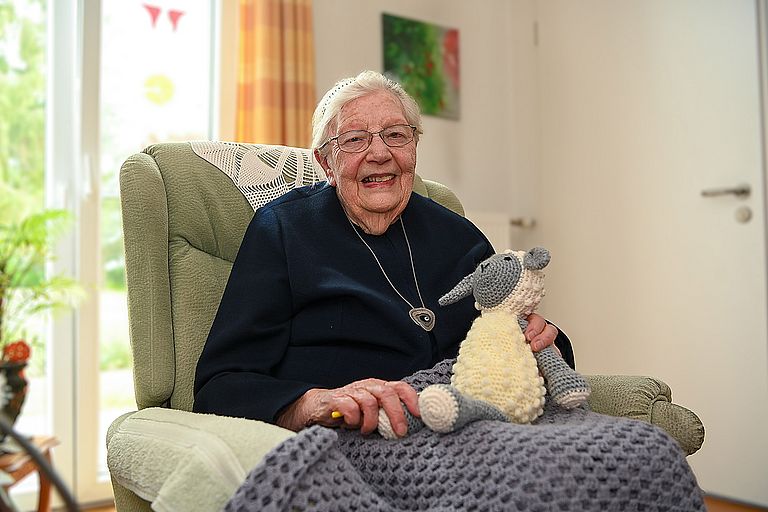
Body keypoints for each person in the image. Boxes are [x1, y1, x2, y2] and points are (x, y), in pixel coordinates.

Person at [193, 70, 572, 438]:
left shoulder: (459, 235)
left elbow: (515, 337)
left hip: (473, 424)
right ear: (326, 162)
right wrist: (314, 404)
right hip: (363, 435)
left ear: (414, 148)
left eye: (395, 135)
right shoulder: (283, 230)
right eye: (356, 139)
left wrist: (544, 342)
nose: (380, 153)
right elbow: (221, 385)